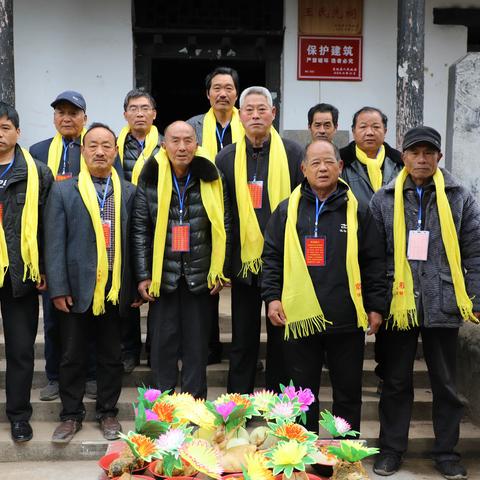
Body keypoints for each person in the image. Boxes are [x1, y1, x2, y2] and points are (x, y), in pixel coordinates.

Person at [370, 126, 480, 479]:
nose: (421, 159)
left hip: (443, 300)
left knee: (446, 383)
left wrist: (475, 298)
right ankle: (391, 450)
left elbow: (474, 251)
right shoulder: (382, 198)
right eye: (414, 152)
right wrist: (377, 301)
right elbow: (373, 256)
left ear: (438, 157)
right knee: (397, 381)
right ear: (402, 157)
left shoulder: (460, 196)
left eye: (428, 153)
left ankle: (446, 452)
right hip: (397, 302)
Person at [262, 139, 386, 432]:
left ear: (340, 166)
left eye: (328, 162)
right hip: (299, 317)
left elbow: (373, 260)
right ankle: (304, 454)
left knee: (347, 394)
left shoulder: (358, 210)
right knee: (302, 395)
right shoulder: (286, 210)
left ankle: (344, 455)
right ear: (303, 169)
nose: (322, 168)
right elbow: (272, 257)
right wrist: (273, 298)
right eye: (315, 163)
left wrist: (376, 305)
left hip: (345, 318)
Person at [45, 123, 137, 444]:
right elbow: (54, 243)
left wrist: (136, 283)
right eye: (93, 145)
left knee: (112, 355)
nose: (100, 151)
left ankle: (108, 412)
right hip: (76, 290)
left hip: (114, 289)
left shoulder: (129, 191)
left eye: (107, 146)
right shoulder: (62, 191)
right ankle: (70, 415)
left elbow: (136, 241)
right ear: (82, 151)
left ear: (115, 151)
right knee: (72, 355)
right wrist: (58, 287)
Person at [131, 121, 231, 399]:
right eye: (175, 140)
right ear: (164, 145)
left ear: (197, 145)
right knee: (163, 345)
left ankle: (194, 406)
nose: (182, 147)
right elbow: (140, 229)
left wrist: (219, 269)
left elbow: (224, 224)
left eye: (188, 140)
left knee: (196, 347)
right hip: (163, 276)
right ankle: (161, 408)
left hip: (199, 275)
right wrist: (143, 275)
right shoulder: (149, 176)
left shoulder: (211, 175)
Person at [216, 86, 304, 394]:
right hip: (243, 262)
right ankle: (238, 404)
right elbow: (222, 214)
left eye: (261, 109)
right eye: (249, 110)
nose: (255, 115)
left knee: (282, 336)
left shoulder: (294, 154)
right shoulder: (225, 158)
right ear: (240, 116)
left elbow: (302, 207)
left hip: (282, 261)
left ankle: (279, 406)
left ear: (273, 114)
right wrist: (223, 264)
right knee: (243, 337)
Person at [29, 91, 99, 401]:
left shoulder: (96, 147)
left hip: (90, 246)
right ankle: (55, 377)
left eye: (74, 112)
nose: (67, 118)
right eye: (61, 112)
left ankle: (93, 375)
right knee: (55, 317)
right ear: (54, 117)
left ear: (85, 117)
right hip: (52, 244)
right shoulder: (38, 151)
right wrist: (41, 261)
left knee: (94, 316)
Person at [0, 102, 54, 442]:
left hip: (21, 273)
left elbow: (48, 227)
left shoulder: (37, 172)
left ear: (18, 132)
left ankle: (19, 415)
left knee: (20, 349)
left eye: (4, 127)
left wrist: (45, 269)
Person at [340, 106, 403, 393]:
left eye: (375, 126)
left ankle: (383, 372)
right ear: (353, 131)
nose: (369, 132)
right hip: (353, 250)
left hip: (392, 253)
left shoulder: (400, 163)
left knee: (386, 314)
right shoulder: (342, 162)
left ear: (385, 131)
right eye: (363, 126)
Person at [187, 66, 244, 365]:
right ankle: (209, 346)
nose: (223, 93)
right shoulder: (192, 127)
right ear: (208, 94)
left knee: (243, 286)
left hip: (243, 211)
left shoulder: (247, 123)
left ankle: (242, 349)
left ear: (236, 93)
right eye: (217, 88)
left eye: (229, 88)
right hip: (205, 214)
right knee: (207, 281)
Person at [117, 89, 162, 373]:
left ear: (154, 114)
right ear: (125, 114)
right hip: (123, 224)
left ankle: (155, 349)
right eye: (133, 108)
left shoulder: (165, 146)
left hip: (157, 227)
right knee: (127, 290)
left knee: (157, 289)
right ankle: (129, 349)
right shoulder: (115, 146)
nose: (139, 113)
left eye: (145, 108)